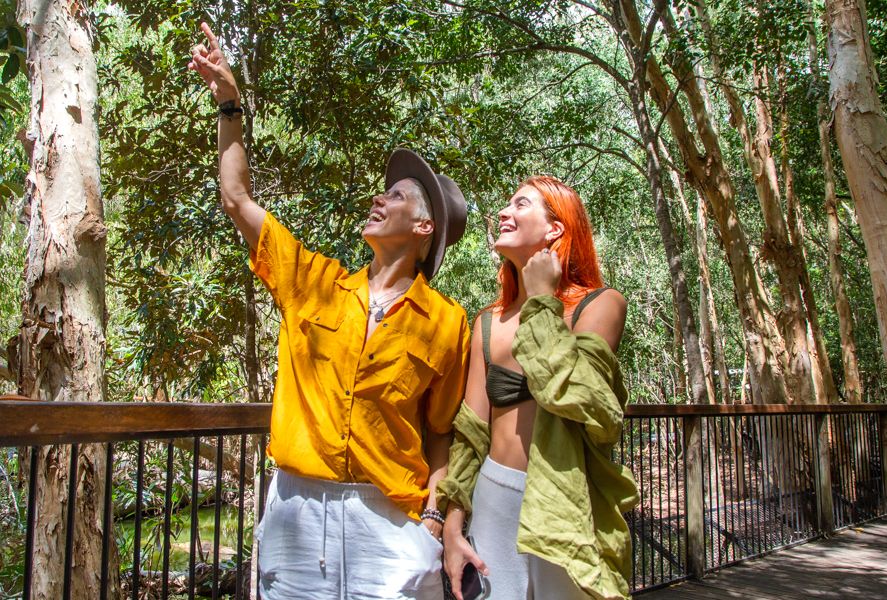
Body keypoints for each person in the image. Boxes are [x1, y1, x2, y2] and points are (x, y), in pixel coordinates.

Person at [188, 23, 470, 599]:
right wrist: (228, 103)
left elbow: (440, 433)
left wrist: (436, 523)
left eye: (395, 196)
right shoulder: (312, 280)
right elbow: (236, 199)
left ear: (423, 228)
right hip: (298, 512)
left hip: (389, 521)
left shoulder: (447, 321)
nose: (378, 197)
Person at [438, 176, 639, 600]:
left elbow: (579, 397)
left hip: (565, 501)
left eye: (521, 204)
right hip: (494, 499)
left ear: (555, 229)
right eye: (506, 204)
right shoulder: (487, 322)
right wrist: (453, 525)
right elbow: (471, 432)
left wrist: (542, 298)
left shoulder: (601, 304)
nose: (504, 213)